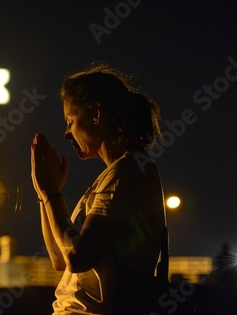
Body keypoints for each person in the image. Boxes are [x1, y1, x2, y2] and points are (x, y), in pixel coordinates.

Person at [31, 63, 165, 314]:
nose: (66, 133)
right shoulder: (115, 174)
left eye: (71, 120)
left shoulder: (129, 172)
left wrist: (52, 193)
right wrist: (44, 195)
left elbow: (78, 258)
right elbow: (59, 259)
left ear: (96, 113)